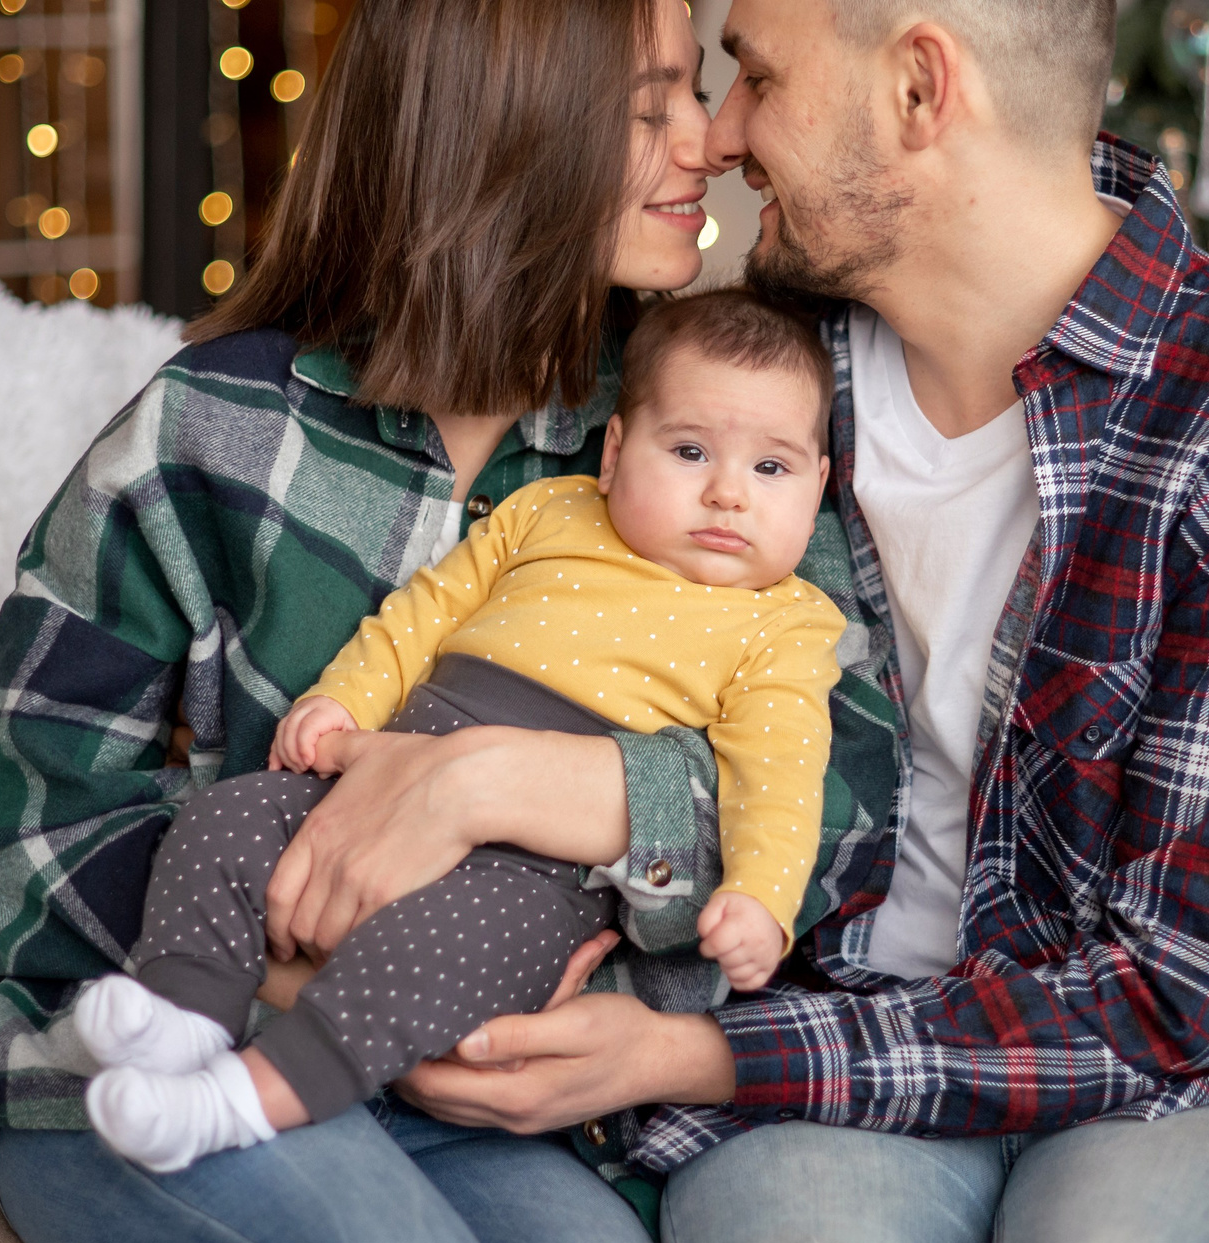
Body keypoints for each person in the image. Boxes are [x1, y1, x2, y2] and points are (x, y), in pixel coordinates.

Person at [391, 0, 1209, 1243]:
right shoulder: (732, 390)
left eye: (757, 74)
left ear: (920, 90)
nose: (721, 134)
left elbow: (1202, 988)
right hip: (828, 1053)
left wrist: (700, 1050)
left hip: (1193, 1094)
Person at [0, 0, 900, 1243]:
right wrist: (286, 985)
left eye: (698, 95)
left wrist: (544, 796)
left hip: (484, 1100)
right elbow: (26, 799)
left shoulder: (708, 432)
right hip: (161, 1055)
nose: (709, 142)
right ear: (511, 132)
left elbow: (844, 806)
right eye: (650, 107)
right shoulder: (216, 428)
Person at [74, 290, 846, 1174]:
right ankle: (180, 1015)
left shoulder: (788, 623)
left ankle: (236, 1101)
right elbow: (423, 616)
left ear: (818, 486)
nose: (727, 494)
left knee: (426, 960)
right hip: (379, 781)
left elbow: (779, 775)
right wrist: (342, 702)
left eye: (771, 468)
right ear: (615, 453)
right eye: (690, 451)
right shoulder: (549, 512)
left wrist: (759, 897)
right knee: (225, 819)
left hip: (536, 875)